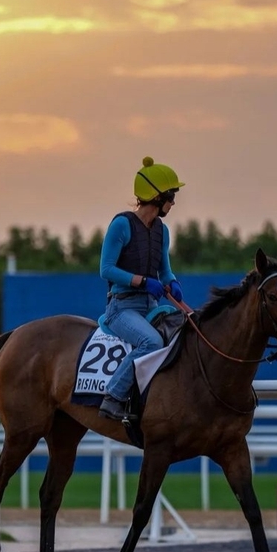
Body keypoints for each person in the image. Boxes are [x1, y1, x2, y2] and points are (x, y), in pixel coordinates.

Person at [98, 156, 186, 421]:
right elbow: (106, 270)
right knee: (151, 341)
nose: (173, 203)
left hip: (151, 307)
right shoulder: (121, 225)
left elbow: (165, 270)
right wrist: (143, 281)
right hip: (121, 308)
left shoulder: (163, 230)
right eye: (171, 196)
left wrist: (172, 283)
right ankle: (113, 397)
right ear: (158, 197)